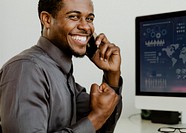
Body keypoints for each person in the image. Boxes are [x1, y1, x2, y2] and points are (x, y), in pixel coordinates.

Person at [0, 0, 123, 132]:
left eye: (89, 19)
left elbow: (102, 123)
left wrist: (112, 74)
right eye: (74, 17)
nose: (86, 27)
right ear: (47, 19)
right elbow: (96, 119)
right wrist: (96, 118)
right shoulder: (26, 70)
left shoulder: (63, 74)